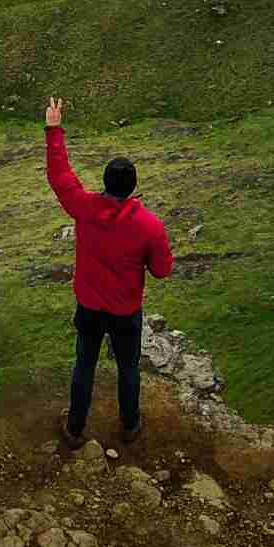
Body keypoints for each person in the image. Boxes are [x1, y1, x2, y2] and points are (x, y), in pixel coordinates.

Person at [44, 97, 174, 449]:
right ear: (133, 186)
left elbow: (59, 177)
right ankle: (130, 426)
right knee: (128, 368)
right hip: (125, 312)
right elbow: (162, 270)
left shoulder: (84, 208)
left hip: (89, 305)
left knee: (84, 364)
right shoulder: (150, 226)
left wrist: (54, 129)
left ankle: (74, 428)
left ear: (104, 181)